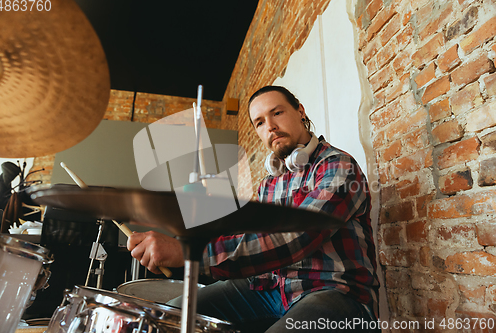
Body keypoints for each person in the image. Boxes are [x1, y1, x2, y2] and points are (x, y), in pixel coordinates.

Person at [128, 86, 380, 332]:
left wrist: (188, 252)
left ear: (300, 111)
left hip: (334, 290)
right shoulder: (269, 183)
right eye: (259, 122)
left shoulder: (337, 166)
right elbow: (245, 237)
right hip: (269, 286)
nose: (269, 126)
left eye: (277, 113)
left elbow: (299, 236)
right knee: (170, 315)